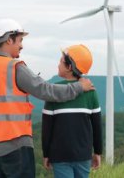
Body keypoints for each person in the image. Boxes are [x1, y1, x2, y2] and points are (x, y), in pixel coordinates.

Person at [0, 19, 95, 178]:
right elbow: (46, 90)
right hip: (16, 145)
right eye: (20, 40)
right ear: (9, 39)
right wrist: (79, 87)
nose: (21, 45)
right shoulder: (14, 67)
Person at [42, 44, 102, 178]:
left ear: (69, 67)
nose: (58, 65)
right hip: (83, 155)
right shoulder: (90, 92)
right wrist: (98, 152)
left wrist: (46, 154)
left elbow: (47, 128)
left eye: (60, 61)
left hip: (59, 155)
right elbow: (97, 126)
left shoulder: (54, 91)